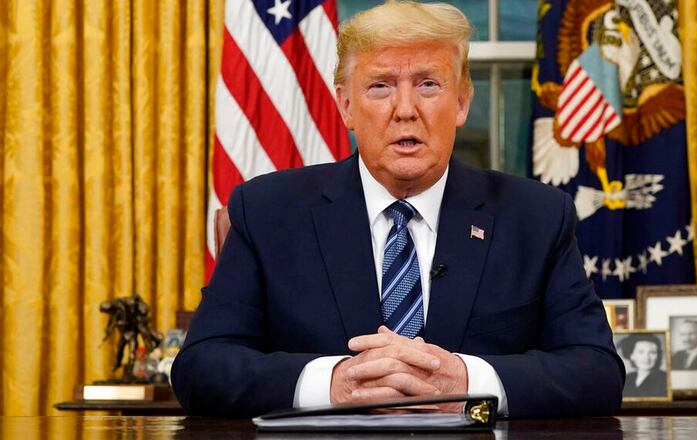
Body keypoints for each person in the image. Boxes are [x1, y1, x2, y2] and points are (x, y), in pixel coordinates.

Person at [171, 1, 624, 418]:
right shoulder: (268, 212)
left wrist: (467, 382)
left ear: (462, 102)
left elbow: (597, 371)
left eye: (428, 84)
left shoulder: (536, 217)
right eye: (380, 86)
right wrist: (333, 385)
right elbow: (202, 367)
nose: (405, 109)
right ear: (346, 104)